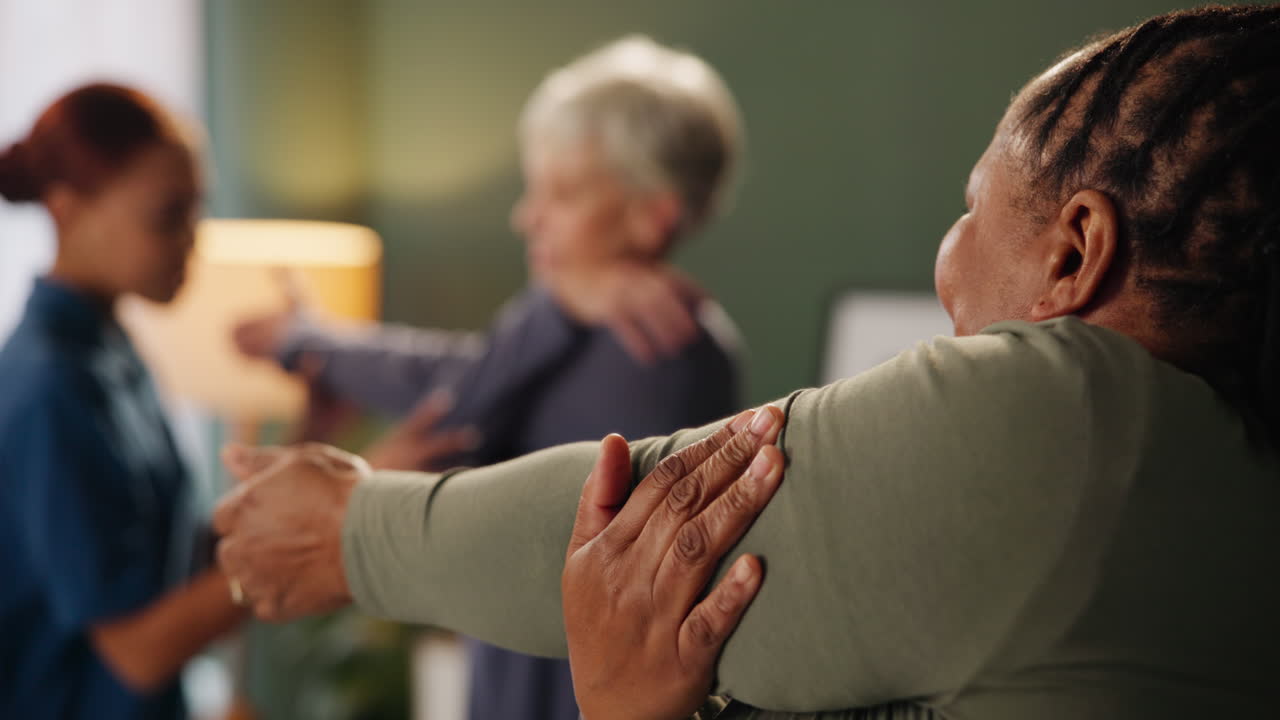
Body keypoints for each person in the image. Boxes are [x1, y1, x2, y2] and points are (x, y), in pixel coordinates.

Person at [214, 6, 1280, 719]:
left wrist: (347, 526)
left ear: (1075, 252)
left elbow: (604, 511)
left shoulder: (1075, 426)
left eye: (970, 211)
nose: (526, 214)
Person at [231, 35, 745, 720]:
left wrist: (556, 306)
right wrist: (308, 340)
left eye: (560, 193)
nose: (526, 216)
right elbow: (460, 368)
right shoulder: (578, 335)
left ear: (651, 217)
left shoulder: (660, 349)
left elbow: (457, 409)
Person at [0, 84, 247, 719]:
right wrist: (317, 548)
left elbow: (166, 560)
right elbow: (136, 650)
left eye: (197, 211)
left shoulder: (111, 349)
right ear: (65, 209)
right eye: (169, 216)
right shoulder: (48, 389)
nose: (193, 240)